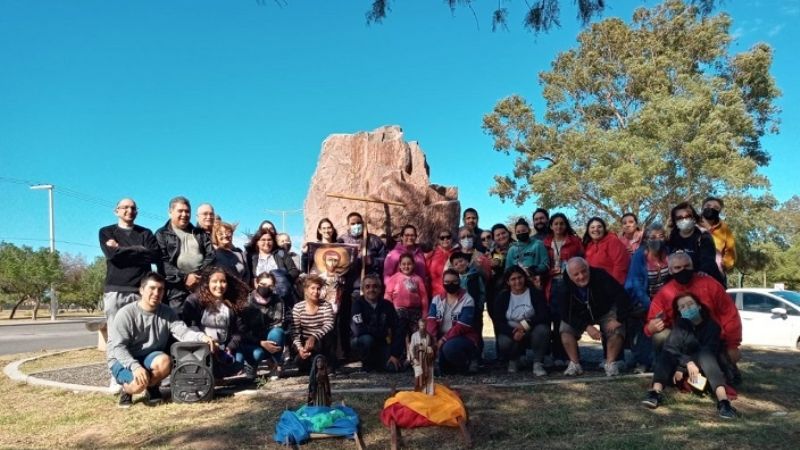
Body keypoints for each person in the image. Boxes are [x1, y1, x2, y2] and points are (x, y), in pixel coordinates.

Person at [108, 272, 216, 408]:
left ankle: (151, 386)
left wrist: (202, 337)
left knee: (165, 361)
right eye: (152, 288)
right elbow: (118, 348)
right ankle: (127, 390)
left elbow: (182, 331)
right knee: (137, 386)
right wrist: (135, 367)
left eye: (160, 289)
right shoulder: (125, 314)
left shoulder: (167, 312)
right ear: (142, 290)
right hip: (123, 360)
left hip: (149, 357)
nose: (156, 293)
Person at [644, 252, 742, 382]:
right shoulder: (664, 293)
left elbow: (730, 315)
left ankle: (724, 367)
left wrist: (732, 344)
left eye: (686, 266)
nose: (683, 270)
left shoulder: (710, 284)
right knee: (660, 336)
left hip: (711, 340)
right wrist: (651, 328)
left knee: (727, 372)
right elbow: (651, 323)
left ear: (693, 266)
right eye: (677, 268)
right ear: (670, 270)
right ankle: (669, 370)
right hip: (683, 342)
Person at [643, 293, 738, 419]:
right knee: (667, 352)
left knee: (705, 355)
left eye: (690, 304)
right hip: (683, 373)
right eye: (682, 307)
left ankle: (724, 402)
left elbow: (710, 350)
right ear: (679, 311)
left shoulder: (712, 327)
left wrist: (688, 363)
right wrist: (685, 364)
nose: (687, 308)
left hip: (708, 372)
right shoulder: (680, 325)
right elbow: (671, 348)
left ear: (698, 306)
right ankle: (655, 393)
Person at [559, 257, 632, 377]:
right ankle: (575, 363)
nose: (581, 276)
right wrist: (586, 327)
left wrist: (619, 319)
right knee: (565, 329)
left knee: (617, 329)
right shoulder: (564, 285)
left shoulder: (600, 275)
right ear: (570, 276)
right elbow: (564, 313)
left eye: (584, 271)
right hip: (581, 315)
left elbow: (621, 295)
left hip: (605, 310)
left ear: (588, 268)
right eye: (576, 274)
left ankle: (610, 363)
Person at [99, 198, 160, 333]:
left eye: (133, 208)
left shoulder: (146, 233)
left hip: (140, 291)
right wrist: (141, 250)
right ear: (116, 211)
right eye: (125, 207)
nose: (130, 211)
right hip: (116, 291)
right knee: (116, 334)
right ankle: (115, 356)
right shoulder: (106, 232)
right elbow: (112, 255)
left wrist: (120, 248)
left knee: (141, 333)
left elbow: (153, 256)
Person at [155, 196, 215, 317]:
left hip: (200, 286)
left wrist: (198, 276)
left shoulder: (199, 233)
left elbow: (211, 255)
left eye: (187, 211)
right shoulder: (161, 234)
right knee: (178, 323)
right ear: (170, 212)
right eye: (180, 211)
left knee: (202, 320)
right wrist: (185, 278)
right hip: (175, 290)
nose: (184, 214)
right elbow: (162, 261)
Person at [183, 267, 248, 378]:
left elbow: (239, 330)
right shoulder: (193, 301)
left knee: (238, 363)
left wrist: (230, 348)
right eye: (214, 281)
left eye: (223, 281)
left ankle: (217, 373)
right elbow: (189, 327)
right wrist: (206, 341)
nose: (219, 286)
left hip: (225, 348)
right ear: (207, 283)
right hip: (202, 346)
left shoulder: (233, 302)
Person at [623, 222, 670, 372]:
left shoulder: (669, 253)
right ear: (646, 239)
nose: (657, 240)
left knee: (662, 331)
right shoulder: (640, 256)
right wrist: (651, 306)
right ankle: (642, 361)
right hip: (642, 299)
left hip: (664, 301)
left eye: (661, 236)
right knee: (643, 327)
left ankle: (658, 360)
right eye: (653, 237)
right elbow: (636, 285)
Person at [542, 213, 583, 365]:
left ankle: (569, 355)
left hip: (569, 284)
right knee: (554, 318)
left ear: (566, 225)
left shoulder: (574, 242)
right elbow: (542, 264)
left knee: (567, 319)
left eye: (561, 223)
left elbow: (582, 261)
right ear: (551, 226)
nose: (558, 226)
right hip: (550, 284)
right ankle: (556, 354)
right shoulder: (545, 243)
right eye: (556, 223)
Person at [493, 266, 550, 376]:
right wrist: (512, 332)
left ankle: (538, 362)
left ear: (525, 278)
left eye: (520, 277)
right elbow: (498, 321)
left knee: (543, 330)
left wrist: (524, 325)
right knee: (503, 341)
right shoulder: (502, 296)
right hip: (512, 331)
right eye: (513, 279)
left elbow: (544, 315)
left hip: (531, 329)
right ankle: (514, 360)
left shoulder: (534, 293)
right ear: (508, 282)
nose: (517, 281)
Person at [426, 269, 480, 374]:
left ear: (459, 281)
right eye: (447, 282)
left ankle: (469, 361)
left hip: (463, 337)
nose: (450, 284)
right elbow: (431, 321)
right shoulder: (436, 299)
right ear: (442, 282)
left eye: (454, 281)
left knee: (449, 348)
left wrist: (442, 340)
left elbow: (463, 326)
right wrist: (432, 339)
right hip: (441, 338)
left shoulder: (467, 299)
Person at [237, 272, 285, 380]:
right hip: (250, 339)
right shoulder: (246, 301)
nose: (266, 288)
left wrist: (267, 341)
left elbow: (277, 322)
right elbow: (242, 329)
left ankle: (275, 364)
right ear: (256, 283)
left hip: (268, 334)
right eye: (262, 284)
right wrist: (260, 342)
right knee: (257, 354)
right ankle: (251, 365)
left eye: (270, 286)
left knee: (278, 332)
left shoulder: (277, 300)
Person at [349, 274, 403, 372]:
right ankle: (366, 365)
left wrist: (395, 354)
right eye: (367, 287)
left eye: (375, 286)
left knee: (392, 368)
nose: (371, 289)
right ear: (363, 289)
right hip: (361, 341)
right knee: (367, 339)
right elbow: (358, 330)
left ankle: (378, 362)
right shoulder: (357, 304)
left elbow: (397, 329)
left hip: (381, 343)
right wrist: (380, 332)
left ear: (380, 289)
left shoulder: (387, 305)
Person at [667, 202, 724, 285]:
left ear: (694, 218)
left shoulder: (704, 236)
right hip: (682, 283)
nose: (684, 220)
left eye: (687, 216)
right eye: (679, 218)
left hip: (705, 282)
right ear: (675, 221)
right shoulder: (672, 238)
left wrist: (704, 271)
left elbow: (708, 260)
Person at [245, 228, 300, 309]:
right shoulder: (251, 257)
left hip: (281, 299)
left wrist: (280, 278)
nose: (267, 242)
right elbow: (247, 275)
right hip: (259, 300)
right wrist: (254, 282)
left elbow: (294, 271)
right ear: (257, 242)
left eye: (269, 240)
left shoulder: (281, 254)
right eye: (263, 240)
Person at [291, 275, 336, 373]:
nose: (316, 292)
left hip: (321, 342)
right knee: (301, 361)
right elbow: (295, 332)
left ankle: (328, 364)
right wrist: (300, 348)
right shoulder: (298, 308)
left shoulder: (326, 305)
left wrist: (314, 337)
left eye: (318, 289)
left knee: (330, 334)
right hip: (305, 345)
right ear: (306, 290)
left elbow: (329, 324)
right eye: (313, 288)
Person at [386, 253, 430, 348]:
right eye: (404, 264)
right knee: (400, 333)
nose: (406, 266)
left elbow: (423, 297)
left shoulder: (418, 279)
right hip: (399, 311)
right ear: (400, 266)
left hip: (415, 311)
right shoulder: (395, 278)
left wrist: (425, 312)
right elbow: (388, 295)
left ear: (413, 265)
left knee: (416, 334)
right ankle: (400, 357)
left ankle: (416, 356)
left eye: (409, 264)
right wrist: (389, 311)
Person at [450, 252, 486, 360]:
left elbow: (482, 292)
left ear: (467, 261)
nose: (459, 265)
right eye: (456, 264)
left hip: (475, 311)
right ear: (453, 267)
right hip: (459, 312)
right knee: (461, 333)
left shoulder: (475, 276)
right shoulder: (454, 279)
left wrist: (480, 306)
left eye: (461, 261)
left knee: (476, 333)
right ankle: (464, 357)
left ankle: (477, 357)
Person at [583, 217, 630, 285]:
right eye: (592, 227)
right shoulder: (588, 245)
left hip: (610, 285)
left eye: (599, 227)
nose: (596, 229)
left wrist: (613, 285)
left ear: (604, 229)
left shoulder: (612, 241)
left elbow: (620, 265)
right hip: (594, 286)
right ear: (588, 230)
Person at [700, 196, 736, 280]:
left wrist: (724, 265)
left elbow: (731, 251)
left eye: (716, 207)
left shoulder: (724, 229)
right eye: (708, 206)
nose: (711, 208)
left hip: (716, 273)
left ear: (719, 211)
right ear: (702, 207)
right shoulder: (693, 223)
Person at [427, 229, 457, 297]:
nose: (445, 239)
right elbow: (426, 275)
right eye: (442, 238)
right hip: (436, 296)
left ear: (451, 239)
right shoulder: (432, 255)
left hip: (454, 295)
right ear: (438, 240)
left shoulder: (457, 253)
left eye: (448, 237)